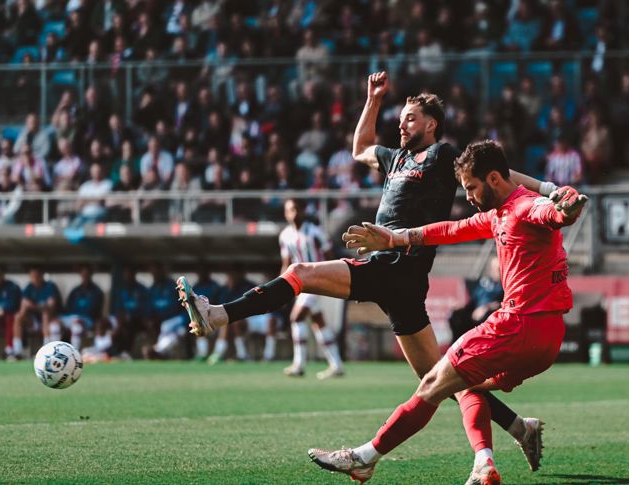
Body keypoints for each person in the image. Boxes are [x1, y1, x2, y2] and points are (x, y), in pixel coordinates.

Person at [175, 72, 574, 460]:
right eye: (399, 118)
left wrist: (546, 189)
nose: (401, 124)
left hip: (396, 266)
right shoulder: (395, 158)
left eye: (410, 118)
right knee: (444, 379)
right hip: (395, 275)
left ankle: (219, 315)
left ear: (432, 124)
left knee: (300, 274)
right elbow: (359, 147)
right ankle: (521, 429)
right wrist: (373, 99)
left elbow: (499, 175)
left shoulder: (442, 155)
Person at [309, 139, 587, 484]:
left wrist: (567, 208)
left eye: (471, 187)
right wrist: (395, 238)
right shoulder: (501, 213)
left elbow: (553, 213)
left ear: (495, 179)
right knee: (464, 385)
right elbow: (452, 230)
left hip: (516, 326)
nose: (468, 196)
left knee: (433, 384)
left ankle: (364, 458)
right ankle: (485, 463)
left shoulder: (525, 207)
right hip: (547, 339)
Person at [279, 198, 344, 379]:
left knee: (296, 317)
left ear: (303, 210)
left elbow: (330, 256)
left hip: (317, 281)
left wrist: (331, 277)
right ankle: (336, 364)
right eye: (289, 210)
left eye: (296, 209)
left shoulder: (315, 232)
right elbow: (286, 263)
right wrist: (279, 287)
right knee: (318, 322)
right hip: (301, 284)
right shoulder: (285, 236)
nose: (293, 213)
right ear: (285, 213)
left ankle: (299, 364)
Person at [10, 266, 62, 360]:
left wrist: (34, 306)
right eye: (32, 277)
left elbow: (51, 306)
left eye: (37, 276)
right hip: (33, 321)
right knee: (18, 317)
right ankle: (17, 351)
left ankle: (46, 349)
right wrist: (28, 306)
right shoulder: (29, 287)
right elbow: (23, 307)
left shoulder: (50, 286)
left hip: (49, 320)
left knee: (45, 314)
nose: (34, 279)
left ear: (42, 276)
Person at [61, 265, 105, 351]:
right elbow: (67, 309)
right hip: (72, 318)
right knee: (54, 325)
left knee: (76, 327)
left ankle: (75, 353)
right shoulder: (75, 291)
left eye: (87, 274)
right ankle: (51, 353)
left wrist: (81, 319)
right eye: (83, 274)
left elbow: (96, 311)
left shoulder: (96, 291)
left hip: (87, 320)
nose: (85, 276)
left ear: (91, 275)